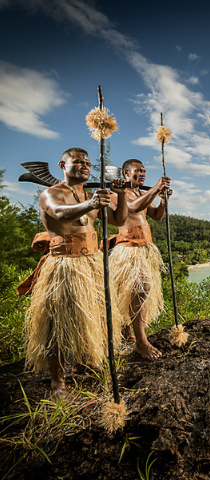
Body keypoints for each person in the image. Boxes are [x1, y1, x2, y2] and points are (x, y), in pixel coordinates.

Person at [24, 147, 128, 399]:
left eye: (87, 163)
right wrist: (90, 203)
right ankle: (57, 382)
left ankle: (83, 361)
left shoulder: (91, 195)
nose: (84, 166)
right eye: (78, 161)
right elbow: (59, 213)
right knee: (58, 324)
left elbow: (118, 220)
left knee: (92, 315)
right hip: (65, 265)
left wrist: (121, 195)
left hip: (92, 262)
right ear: (62, 164)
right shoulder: (51, 193)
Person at [108, 159, 171, 360]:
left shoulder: (141, 193)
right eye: (138, 171)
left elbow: (156, 216)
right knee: (139, 288)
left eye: (144, 170)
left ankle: (128, 330)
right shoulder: (119, 194)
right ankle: (141, 342)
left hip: (145, 248)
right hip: (129, 250)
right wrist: (157, 187)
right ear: (126, 173)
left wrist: (163, 199)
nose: (142, 173)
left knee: (132, 292)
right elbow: (133, 208)